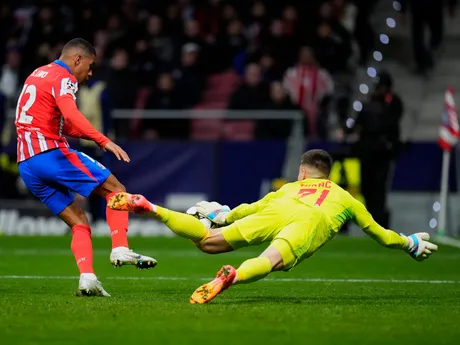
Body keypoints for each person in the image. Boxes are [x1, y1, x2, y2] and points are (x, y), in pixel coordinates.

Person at [107, 149, 438, 304]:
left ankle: (152, 207)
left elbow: (246, 210)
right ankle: (232, 277)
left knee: (209, 241)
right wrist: (408, 243)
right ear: (328, 174)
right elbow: (378, 233)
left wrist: (222, 214)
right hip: (309, 221)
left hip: (278, 210)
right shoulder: (345, 197)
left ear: (304, 172)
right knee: (269, 261)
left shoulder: (287, 188)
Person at [15, 38, 157, 297]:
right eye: (90, 66)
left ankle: (88, 279)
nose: (90, 74)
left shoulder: (37, 74)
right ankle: (121, 247)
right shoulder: (63, 77)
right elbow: (71, 115)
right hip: (50, 154)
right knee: (117, 190)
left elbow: (59, 123)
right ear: (77, 59)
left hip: (27, 163)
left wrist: (92, 137)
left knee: (79, 220)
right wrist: (104, 140)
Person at [352, 71, 403, 229]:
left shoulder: (393, 103)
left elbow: (387, 124)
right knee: (366, 188)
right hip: (366, 153)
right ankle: (370, 222)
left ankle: (380, 223)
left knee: (379, 189)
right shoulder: (368, 104)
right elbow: (358, 123)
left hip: (383, 154)